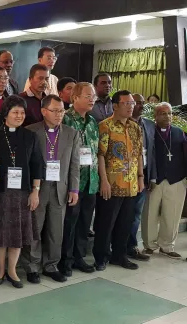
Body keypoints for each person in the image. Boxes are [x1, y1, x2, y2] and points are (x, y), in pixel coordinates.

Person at [22, 95, 80, 284]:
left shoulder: (71, 133)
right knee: (35, 228)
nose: (59, 114)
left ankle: (51, 265)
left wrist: (74, 189)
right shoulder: (31, 131)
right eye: (55, 110)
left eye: (62, 110)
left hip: (60, 188)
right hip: (37, 188)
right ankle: (32, 266)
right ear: (43, 111)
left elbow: (74, 164)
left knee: (57, 230)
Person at [0, 95, 43, 289]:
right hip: (0, 191)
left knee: (17, 234)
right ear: (6, 114)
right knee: (1, 233)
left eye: (22, 112)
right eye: (15, 112)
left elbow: (37, 165)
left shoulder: (30, 136)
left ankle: (12, 270)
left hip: (23, 192)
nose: (20, 116)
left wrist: (35, 191)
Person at [94, 90, 144, 271]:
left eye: (132, 103)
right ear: (115, 106)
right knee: (105, 223)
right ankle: (101, 257)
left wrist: (141, 177)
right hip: (111, 185)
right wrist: (104, 181)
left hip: (131, 184)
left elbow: (138, 154)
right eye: (127, 103)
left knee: (125, 223)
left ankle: (119, 255)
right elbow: (100, 155)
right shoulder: (105, 126)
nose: (131, 107)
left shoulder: (135, 127)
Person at [59, 82, 99, 276]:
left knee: (84, 222)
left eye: (93, 96)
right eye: (88, 95)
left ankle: (79, 257)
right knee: (69, 222)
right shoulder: (65, 119)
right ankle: (65, 260)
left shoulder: (92, 122)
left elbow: (96, 151)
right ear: (74, 98)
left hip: (90, 180)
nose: (92, 99)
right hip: (72, 181)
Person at [142, 102, 187, 259]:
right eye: (162, 113)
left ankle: (167, 246)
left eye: (169, 113)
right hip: (155, 179)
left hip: (176, 178)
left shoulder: (179, 132)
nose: (167, 116)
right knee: (150, 213)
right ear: (155, 116)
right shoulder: (149, 132)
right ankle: (149, 245)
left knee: (172, 214)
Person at [127, 93, 154, 262]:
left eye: (142, 103)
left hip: (142, 177)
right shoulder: (120, 124)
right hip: (123, 178)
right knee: (122, 214)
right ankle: (116, 246)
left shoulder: (150, 125)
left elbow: (153, 153)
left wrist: (151, 177)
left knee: (136, 214)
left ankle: (131, 247)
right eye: (137, 102)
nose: (140, 105)